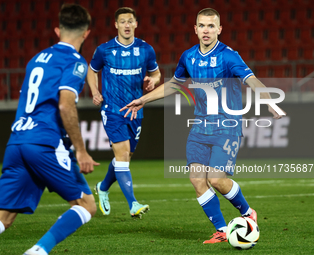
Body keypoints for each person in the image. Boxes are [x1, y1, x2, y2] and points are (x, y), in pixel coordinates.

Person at [121, 8, 286, 243]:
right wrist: (143, 99)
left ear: (219, 29)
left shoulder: (229, 56)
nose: (206, 30)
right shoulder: (188, 56)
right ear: (195, 29)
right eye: (202, 26)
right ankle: (223, 230)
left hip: (227, 126)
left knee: (217, 179)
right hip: (200, 126)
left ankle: (248, 213)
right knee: (197, 179)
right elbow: (174, 85)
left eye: (211, 26)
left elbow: (251, 79)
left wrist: (269, 102)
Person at [0, 4, 99, 255]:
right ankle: (38, 251)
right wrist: (82, 150)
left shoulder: (35, 59)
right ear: (86, 34)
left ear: (57, 30)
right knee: (86, 205)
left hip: (17, 141)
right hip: (45, 142)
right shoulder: (75, 62)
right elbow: (65, 106)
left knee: (3, 218)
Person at [87, 7, 161, 218]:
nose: (127, 25)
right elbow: (92, 70)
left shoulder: (146, 50)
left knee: (126, 156)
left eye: (130, 21)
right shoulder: (105, 50)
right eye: (122, 21)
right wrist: (95, 91)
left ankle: (102, 187)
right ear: (116, 25)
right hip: (112, 110)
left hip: (135, 110)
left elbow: (156, 74)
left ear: (136, 24)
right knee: (122, 154)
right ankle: (133, 204)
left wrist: (151, 82)